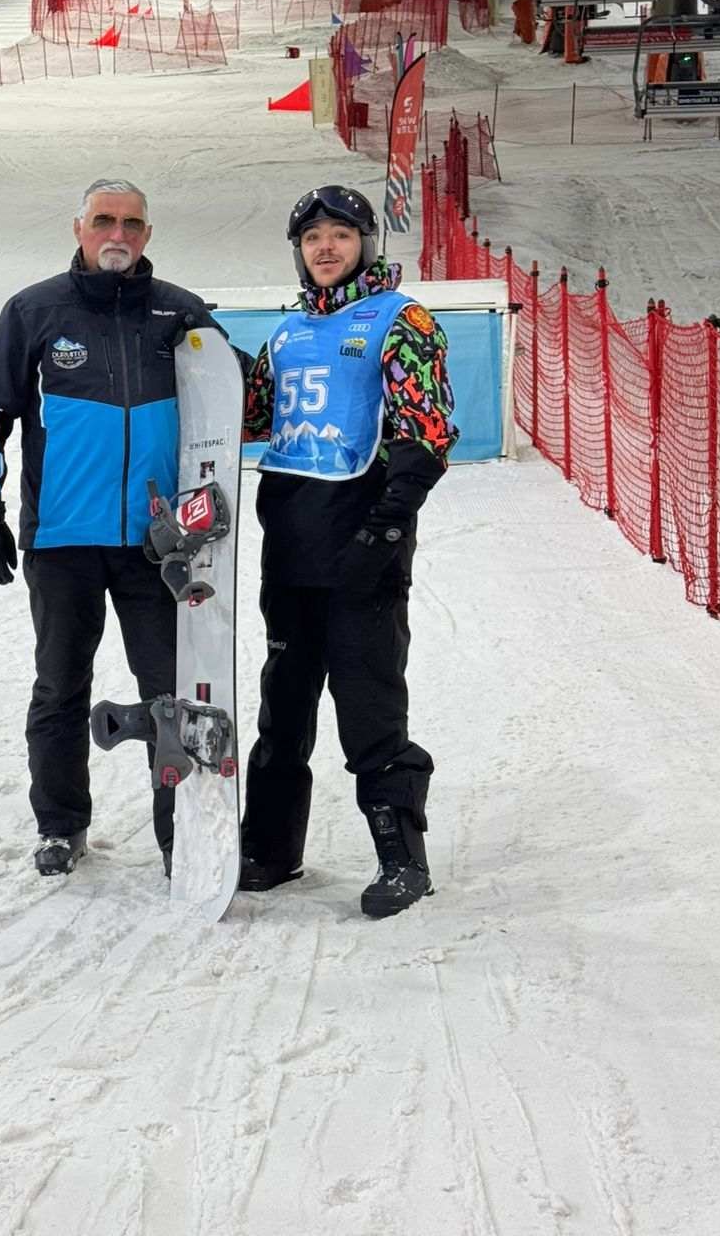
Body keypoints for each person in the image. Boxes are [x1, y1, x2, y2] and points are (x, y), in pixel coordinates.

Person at [0, 180, 216, 878]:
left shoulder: (180, 315)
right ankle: (61, 825)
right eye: (104, 220)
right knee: (60, 686)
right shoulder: (36, 311)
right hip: (63, 541)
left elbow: (226, 403)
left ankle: (180, 836)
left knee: (173, 696)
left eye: (132, 223)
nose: (118, 233)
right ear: (78, 227)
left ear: (148, 235)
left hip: (155, 546)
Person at [240, 185, 458, 917]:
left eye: (340, 233)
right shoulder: (287, 334)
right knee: (284, 706)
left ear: (366, 241)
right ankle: (270, 850)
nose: (325, 248)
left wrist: (388, 525)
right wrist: (202, 356)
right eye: (312, 238)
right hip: (291, 546)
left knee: (368, 706)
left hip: (364, 545)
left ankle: (403, 860)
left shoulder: (401, 319)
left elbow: (426, 431)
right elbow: (252, 417)